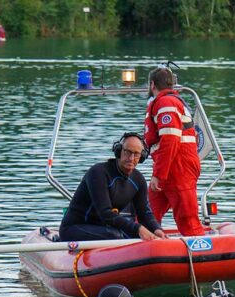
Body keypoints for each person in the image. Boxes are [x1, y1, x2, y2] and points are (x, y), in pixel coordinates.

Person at [59, 132, 166, 242]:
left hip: (104, 228)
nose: (131, 158)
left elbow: (144, 213)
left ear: (141, 157)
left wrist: (156, 228)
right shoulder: (98, 173)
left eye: (136, 154)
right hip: (74, 228)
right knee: (116, 236)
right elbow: (106, 214)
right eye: (127, 152)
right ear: (119, 151)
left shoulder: (138, 180)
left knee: (125, 234)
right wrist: (138, 228)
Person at [144, 66, 205, 237]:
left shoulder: (166, 103)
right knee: (148, 214)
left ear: (152, 84)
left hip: (178, 168)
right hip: (170, 167)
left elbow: (170, 139)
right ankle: (146, 247)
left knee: (187, 219)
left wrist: (159, 174)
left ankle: (200, 255)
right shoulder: (171, 102)